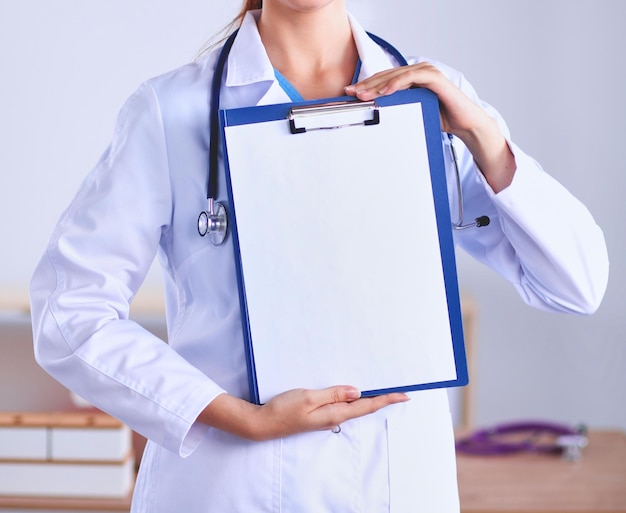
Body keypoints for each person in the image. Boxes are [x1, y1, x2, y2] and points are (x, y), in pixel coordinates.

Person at [29, 1, 609, 511]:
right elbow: (69, 312)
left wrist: (483, 135)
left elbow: (575, 284)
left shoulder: (434, 104)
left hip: (395, 486)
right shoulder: (170, 110)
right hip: (228, 486)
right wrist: (239, 417)